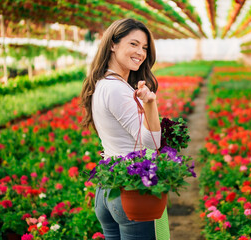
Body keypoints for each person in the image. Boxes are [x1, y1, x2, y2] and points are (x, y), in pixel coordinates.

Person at [80, 18, 162, 240]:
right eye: (133, 44)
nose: (141, 52)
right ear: (113, 45)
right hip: (130, 190)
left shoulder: (102, 83)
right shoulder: (117, 89)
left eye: (144, 47)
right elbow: (152, 142)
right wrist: (150, 103)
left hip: (108, 186)